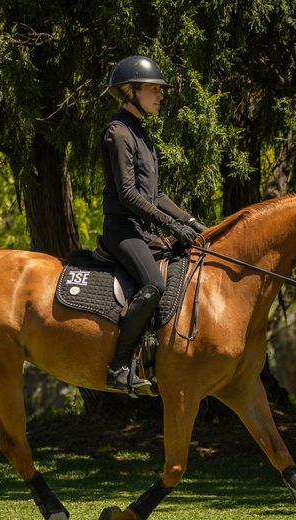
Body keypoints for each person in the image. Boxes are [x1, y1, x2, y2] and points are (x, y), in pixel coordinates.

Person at [100, 55, 208, 393]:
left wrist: (191, 222)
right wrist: (171, 227)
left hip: (144, 230)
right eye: (153, 90)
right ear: (130, 91)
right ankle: (118, 367)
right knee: (153, 286)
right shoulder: (117, 133)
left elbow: (156, 194)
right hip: (123, 231)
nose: (160, 95)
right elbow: (129, 195)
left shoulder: (142, 135)